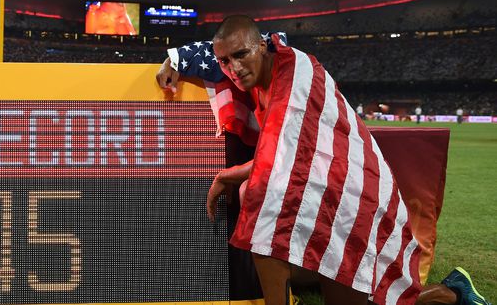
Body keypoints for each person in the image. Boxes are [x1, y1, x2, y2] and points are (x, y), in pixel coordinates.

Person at [156, 15, 490, 305]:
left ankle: (452, 292)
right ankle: (449, 290)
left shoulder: (297, 72)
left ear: (261, 46)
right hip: (320, 190)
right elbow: (220, 50)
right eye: (225, 62)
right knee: (257, 193)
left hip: (354, 194)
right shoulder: (253, 66)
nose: (234, 68)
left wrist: (227, 175)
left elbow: (280, 155)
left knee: (259, 193)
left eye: (241, 55)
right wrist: (174, 59)